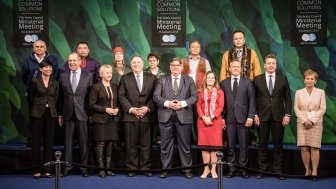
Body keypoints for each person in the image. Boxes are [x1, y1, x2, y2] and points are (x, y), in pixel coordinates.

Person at [153, 57, 198, 179]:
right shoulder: (162, 79)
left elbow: (194, 97)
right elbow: (156, 96)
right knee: (165, 145)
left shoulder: (188, 80)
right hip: (165, 116)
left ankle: (186, 170)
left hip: (184, 116)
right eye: (173, 65)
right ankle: (165, 170)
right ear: (170, 67)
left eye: (178, 65)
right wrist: (168, 103)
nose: (175, 67)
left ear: (182, 67)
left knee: (185, 145)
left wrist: (182, 103)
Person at [219, 30, 262, 146]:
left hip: (247, 87)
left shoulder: (251, 53)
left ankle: (251, 137)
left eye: (240, 38)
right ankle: (228, 137)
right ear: (233, 41)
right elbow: (223, 72)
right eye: (236, 38)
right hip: (231, 87)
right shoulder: (227, 54)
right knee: (230, 110)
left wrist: (256, 87)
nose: (238, 40)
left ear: (244, 40)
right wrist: (223, 87)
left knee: (249, 110)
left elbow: (257, 71)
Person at [254, 54, 291, 180]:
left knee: (278, 145)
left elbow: (288, 98)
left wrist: (287, 114)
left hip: (278, 116)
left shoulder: (283, 79)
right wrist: (254, 114)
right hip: (262, 116)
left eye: (273, 63)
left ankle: (278, 171)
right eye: (268, 63)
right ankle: (262, 170)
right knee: (262, 145)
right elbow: (253, 99)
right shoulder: (257, 79)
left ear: (276, 65)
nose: (271, 65)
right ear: (264, 65)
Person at [118, 55, 156, 177]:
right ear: (130, 64)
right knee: (130, 144)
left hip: (146, 116)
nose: (136, 64)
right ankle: (131, 168)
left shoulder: (152, 78)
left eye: (138, 62)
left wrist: (147, 108)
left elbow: (155, 96)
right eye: (133, 63)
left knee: (146, 145)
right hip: (130, 116)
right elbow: (121, 96)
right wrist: (131, 109)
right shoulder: (125, 78)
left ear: (143, 63)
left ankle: (146, 168)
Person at [58, 52, 93, 177]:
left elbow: (90, 98)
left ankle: (84, 167)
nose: (72, 63)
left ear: (80, 61)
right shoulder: (63, 76)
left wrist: (90, 115)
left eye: (74, 60)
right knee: (67, 141)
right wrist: (60, 114)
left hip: (83, 113)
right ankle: (68, 167)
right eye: (70, 61)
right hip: (67, 113)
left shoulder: (89, 76)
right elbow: (60, 97)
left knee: (84, 141)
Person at [220, 60, 255, 178]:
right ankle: (231, 169)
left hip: (244, 119)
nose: (235, 68)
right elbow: (222, 103)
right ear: (229, 69)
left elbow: (252, 101)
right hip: (229, 119)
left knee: (244, 146)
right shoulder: (223, 83)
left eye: (237, 67)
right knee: (230, 146)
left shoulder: (248, 82)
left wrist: (250, 117)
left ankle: (243, 169)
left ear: (241, 68)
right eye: (233, 66)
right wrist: (222, 118)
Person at [22, 40, 59, 146]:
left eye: (41, 46)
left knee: (49, 120)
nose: (39, 48)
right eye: (36, 46)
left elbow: (56, 74)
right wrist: (32, 87)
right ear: (33, 48)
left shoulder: (52, 59)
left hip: (49, 94)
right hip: (34, 94)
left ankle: (47, 142)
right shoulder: (28, 60)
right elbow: (24, 76)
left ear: (45, 48)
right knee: (33, 117)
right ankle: (32, 141)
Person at [28, 60, 59, 179]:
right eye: (45, 67)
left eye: (50, 67)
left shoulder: (55, 82)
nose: (48, 69)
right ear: (41, 69)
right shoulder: (34, 81)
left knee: (49, 143)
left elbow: (55, 99)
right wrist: (34, 110)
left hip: (51, 114)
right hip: (37, 114)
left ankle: (47, 170)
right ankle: (36, 170)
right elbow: (30, 98)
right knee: (36, 143)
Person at [294, 69, 326, 180]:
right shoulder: (298, 92)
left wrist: (311, 121)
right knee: (304, 147)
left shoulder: (321, 92)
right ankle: (307, 170)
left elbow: (323, 109)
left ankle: (315, 172)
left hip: (315, 124)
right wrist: (304, 121)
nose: (309, 81)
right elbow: (296, 108)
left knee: (314, 148)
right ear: (304, 80)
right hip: (302, 124)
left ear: (315, 81)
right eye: (307, 78)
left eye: (312, 79)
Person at [89, 65, 120, 177]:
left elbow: (117, 103)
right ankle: (101, 169)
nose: (109, 74)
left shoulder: (115, 86)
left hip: (112, 120)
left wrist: (117, 109)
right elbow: (91, 104)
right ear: (101, 74)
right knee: (101, 144)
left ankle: (108, 168)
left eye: (110, 72)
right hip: (100, 120)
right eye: (106, 72)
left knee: (110, 143)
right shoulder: (96, 87)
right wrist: (105, 109)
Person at [196, 71, 224, 179]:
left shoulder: (220, 92)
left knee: (214, 147)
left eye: (213, 78)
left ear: (215, 80)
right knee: (205, 147)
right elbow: (198, 106)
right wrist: (204, 117)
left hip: (215, 122)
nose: (211, 79)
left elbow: (221, 106)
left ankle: (213, 169)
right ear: (205, 79)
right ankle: (206, 169)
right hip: (203, 122)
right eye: (209, 78)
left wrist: (211, 117)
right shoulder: (200, 92)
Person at [145, 52, 165, 144]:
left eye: (154, 61)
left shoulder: (163, 74)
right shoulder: (144, 73)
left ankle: (158, 137)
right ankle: (148, 138)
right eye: (150, 61)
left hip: (160, 101)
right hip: (147, 100)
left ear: (158, 62)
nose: (152, 62)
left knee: (159, 119)